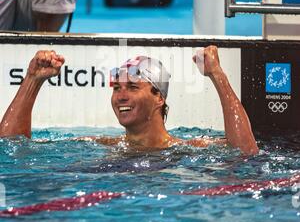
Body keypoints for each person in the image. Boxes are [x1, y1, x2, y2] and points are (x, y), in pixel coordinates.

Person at [0, 47, 259, 155]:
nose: (120, 96)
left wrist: (217, 75)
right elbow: (11, 147)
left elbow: (246, 153)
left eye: (133, 87)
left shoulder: (189, 148)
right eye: (117, 88)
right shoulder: (98, 145)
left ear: (159, 97)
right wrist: (33, 80)